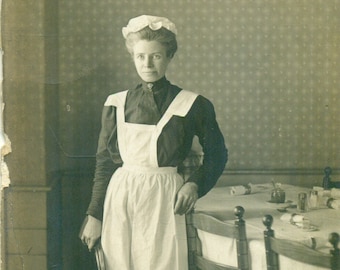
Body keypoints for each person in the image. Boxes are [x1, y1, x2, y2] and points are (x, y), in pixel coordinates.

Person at [80, 15, 228, 270]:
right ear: (133, 57)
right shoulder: (116, 103)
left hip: (165, 198)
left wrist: (194, 184)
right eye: (140, 56)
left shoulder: (194, 105)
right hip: (121, 197)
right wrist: (94, 215)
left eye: (156, 56)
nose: (147, 64)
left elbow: (218, 155)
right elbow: (104, 163)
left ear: (169, 56)